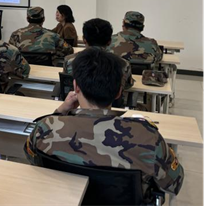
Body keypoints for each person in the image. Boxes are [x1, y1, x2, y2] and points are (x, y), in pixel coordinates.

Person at [25, 47, 184, 202]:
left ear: (76, 87)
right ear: (119, 92)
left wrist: (61, 111)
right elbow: (174, 184)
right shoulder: (148, 138)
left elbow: (31, 157)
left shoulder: (45, 129)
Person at [63, 18, 134, 92]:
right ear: (109, 41)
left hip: (78, 99)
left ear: (84, 40)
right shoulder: (123, 64)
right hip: (109, 99)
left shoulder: (69, 61)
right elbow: (126, 86)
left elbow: (68, 85)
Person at [9, 6, 73, 64]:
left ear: (27, 19)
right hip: (47, 70)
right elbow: (69, 50)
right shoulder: (53, 36)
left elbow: (10, 52)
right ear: (43, 19)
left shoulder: (16, 34)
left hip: (23, 69)